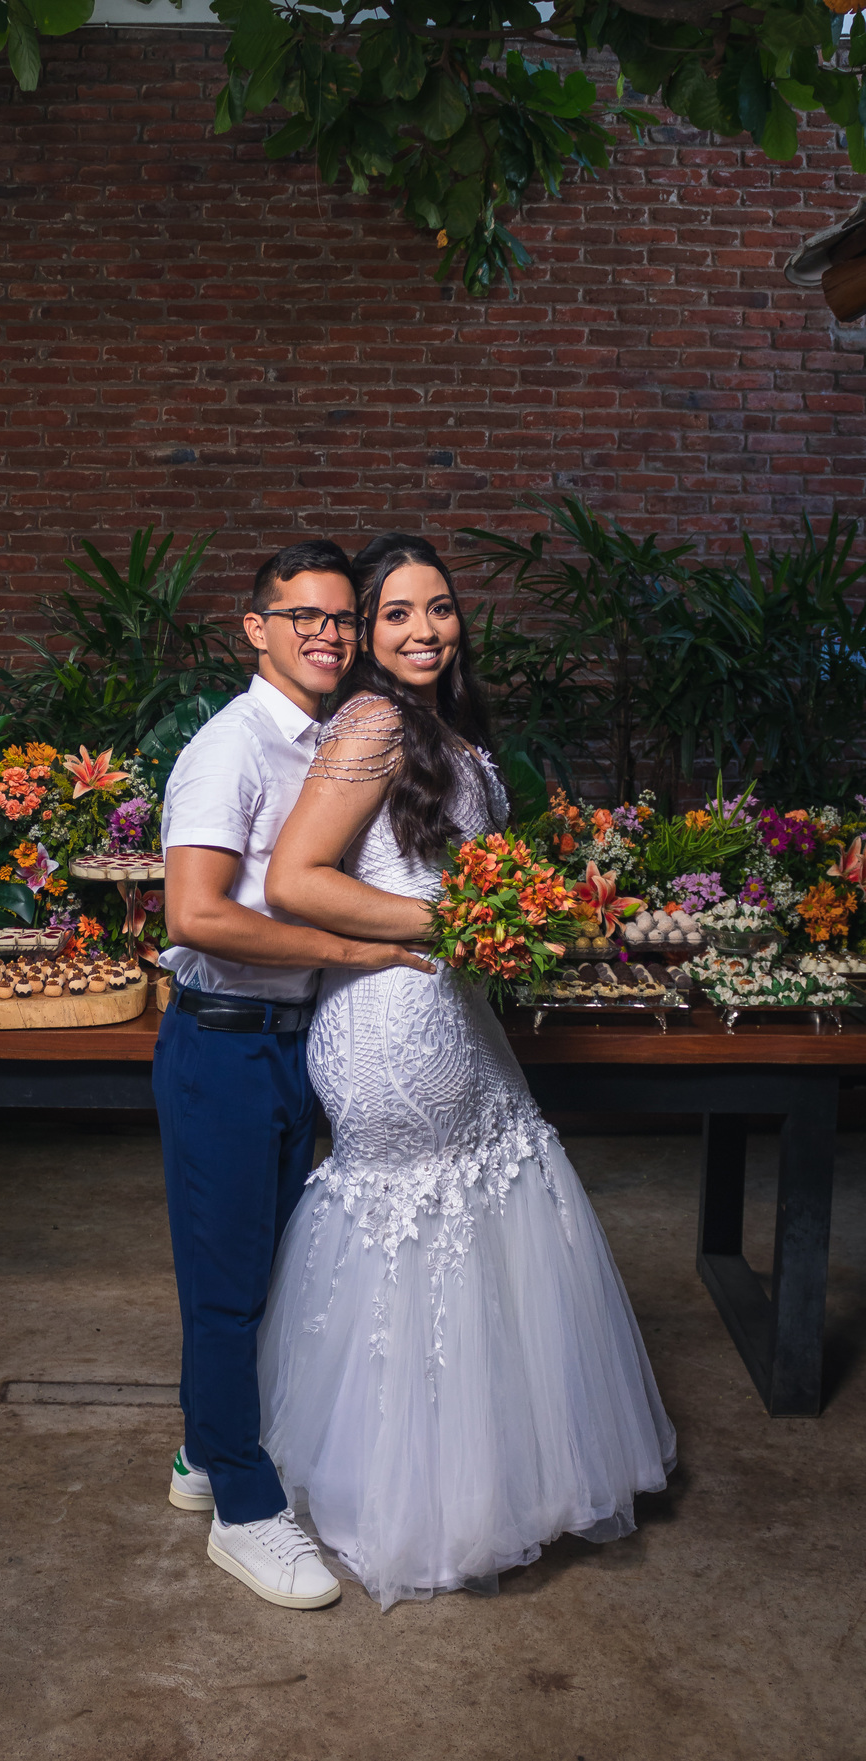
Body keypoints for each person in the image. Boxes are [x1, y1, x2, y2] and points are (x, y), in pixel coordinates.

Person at [259, 531, 677, 1611]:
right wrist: (451, 920)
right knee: (423, 1231)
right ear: (365, 632)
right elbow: (296, 879)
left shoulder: (440, 725)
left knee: (488, 1214)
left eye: (439, 607)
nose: (424, 629)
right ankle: (409, 1503)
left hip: (457, 1010)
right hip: (396, 1019)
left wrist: (502, 917)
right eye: (396, 612)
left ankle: (490, 1484)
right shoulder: (371, 722)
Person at [153, 538, 434, 1611]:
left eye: (342, 618)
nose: (328, 633)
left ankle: (202, 1450)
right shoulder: (230, 747)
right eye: (303, 615)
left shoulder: (334, 739)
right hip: (223, 1042)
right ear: (256, 629)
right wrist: (352, 949)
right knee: (226, 1292)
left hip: (291, 1041)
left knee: (271, 1274)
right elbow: (196, 915)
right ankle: (244, 1509)